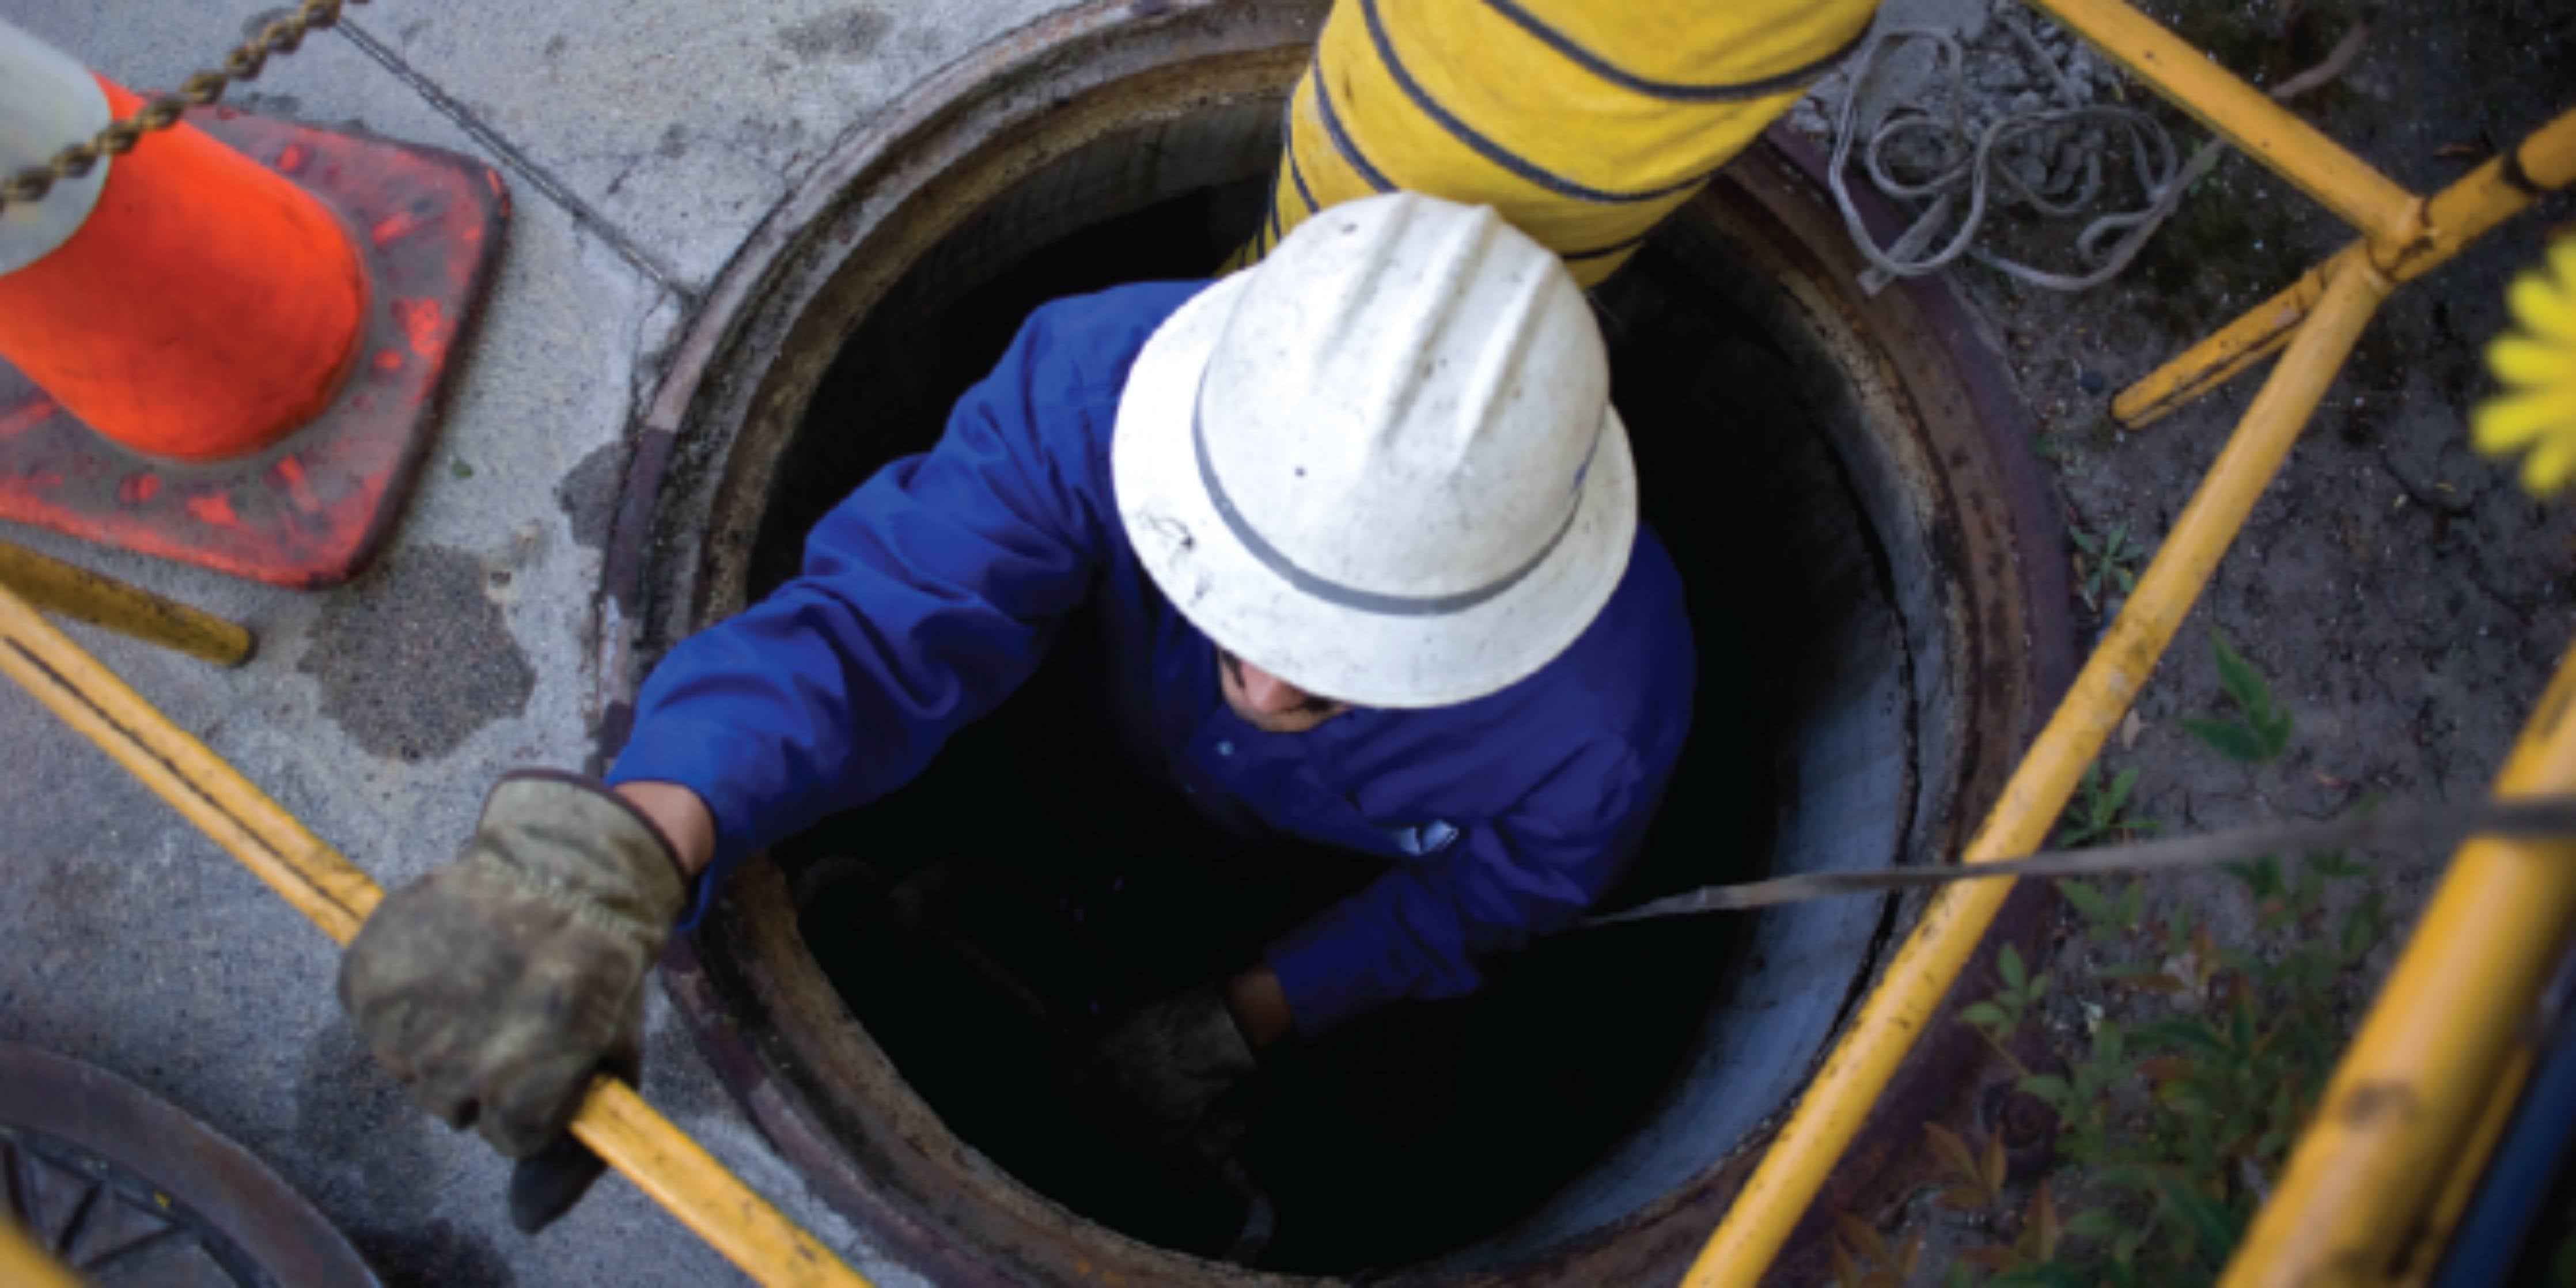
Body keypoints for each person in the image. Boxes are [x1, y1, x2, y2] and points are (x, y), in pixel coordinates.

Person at [337, 192, 1696, 1231]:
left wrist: (1244, 1015)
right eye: (1246, 602)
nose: (1273, 686)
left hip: (1264, 877)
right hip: (1054, 743)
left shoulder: (1597, 709)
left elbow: (1482, 901)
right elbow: (880, 625)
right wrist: (627, 845)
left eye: (1351, 656)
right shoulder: (1099, 386)